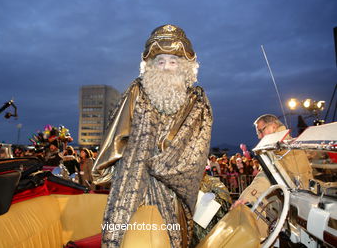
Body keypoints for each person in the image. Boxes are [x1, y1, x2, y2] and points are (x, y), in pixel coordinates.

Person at [92, 24, 213, 248]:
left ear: (184, 66)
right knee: (123, 236)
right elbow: (117, 133)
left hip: (170, 188)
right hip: (131, 179)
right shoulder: (137, 90)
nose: (166, 67)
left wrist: (159, 164)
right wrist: (107, 169)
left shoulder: (196, 101)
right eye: (160, 61)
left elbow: (196, 146)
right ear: (151, 65)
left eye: (173, 61)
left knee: (166, 237)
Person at [233, 114, 313, 206]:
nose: (259, 136)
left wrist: (247, 198)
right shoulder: (291, 143)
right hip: (305, 198)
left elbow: (266, 175)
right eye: (258, 133)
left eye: (260, 131)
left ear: (274, 126)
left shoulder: (278, 148)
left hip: (301, 202)